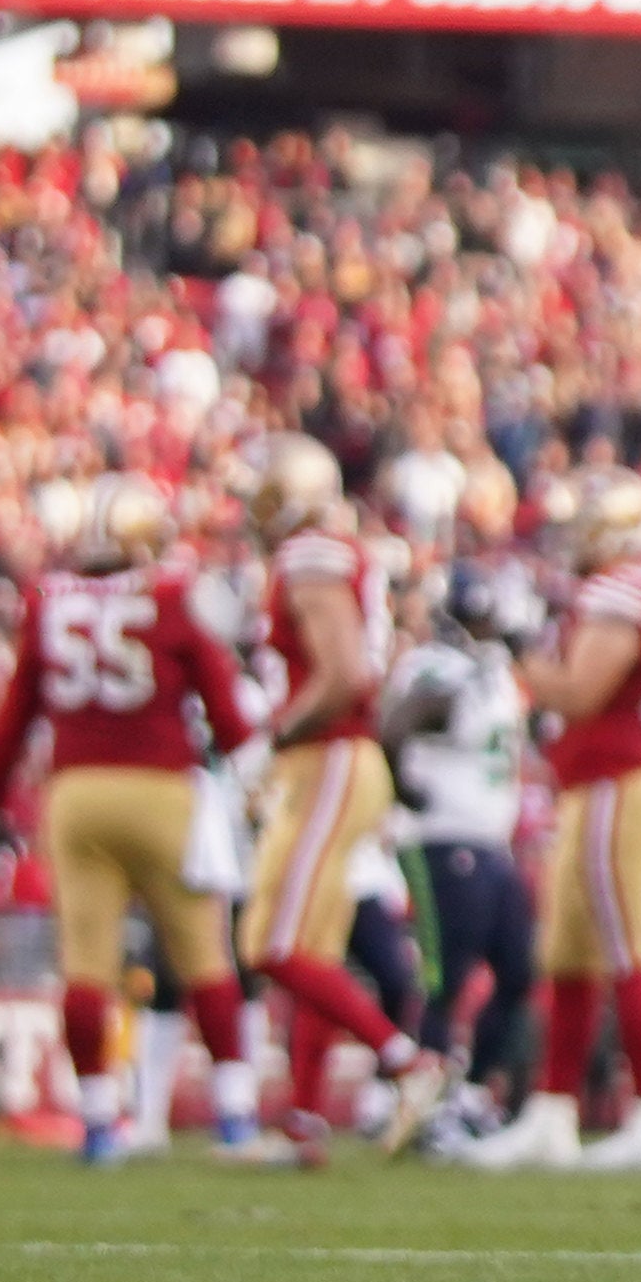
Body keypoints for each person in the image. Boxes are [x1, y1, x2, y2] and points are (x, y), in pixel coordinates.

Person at [0, 473, 261, 1167]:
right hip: (161, 790)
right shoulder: (171, 596)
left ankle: (101, 1122)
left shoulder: (49, 600)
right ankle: (234, 1113)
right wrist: (249, 773)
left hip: (75, 794)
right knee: (203, 954)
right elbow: (225, 710)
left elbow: (14, 718)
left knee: (86, 966)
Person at [454, 471, 641, 1173]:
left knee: (626, 947)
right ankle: (554, 1115)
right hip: (603, 783)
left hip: (619, 781)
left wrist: (525, 656)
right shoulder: (632, 588)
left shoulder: (620, 588)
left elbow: (583, 692)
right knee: (571, 956)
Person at [233, 440, 440, 1158]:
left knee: (272, 942)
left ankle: (407, 1062)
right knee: (313, 947)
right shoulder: (336, 552)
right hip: (341, 761)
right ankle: (303, 1123)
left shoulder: (309, 555)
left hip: (326, 758)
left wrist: (274, 732)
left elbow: (345, 673)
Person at [380, 561, 536, 1134]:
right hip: (444, 837)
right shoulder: (439, 666)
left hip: (490, 839)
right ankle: (429, 1107)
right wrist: (408, 793)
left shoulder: (491, 668)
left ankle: (469, 1094)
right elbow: (394, 726)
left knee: (518, 971)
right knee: (446, 977)